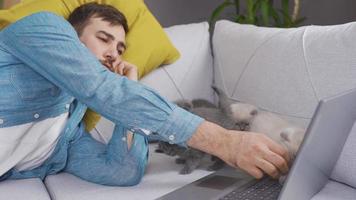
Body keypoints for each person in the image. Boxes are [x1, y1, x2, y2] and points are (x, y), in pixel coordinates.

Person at [0, 3, 290, 186]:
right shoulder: (43, 28)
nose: (113, 54)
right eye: (103, 38)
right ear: (72, 38)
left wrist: (133, 86)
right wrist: (225, 141)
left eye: (120, 49)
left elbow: (122, 171)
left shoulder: (68, 134)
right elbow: (102, 88)